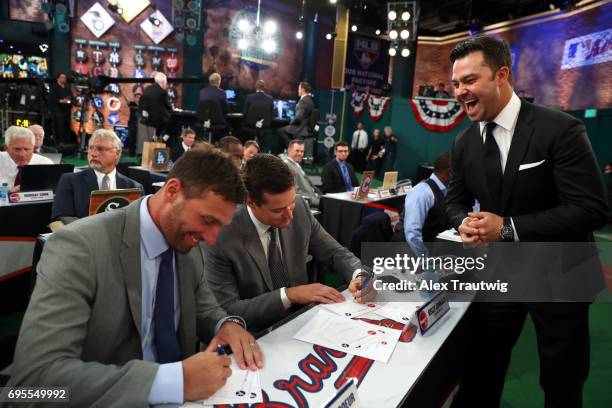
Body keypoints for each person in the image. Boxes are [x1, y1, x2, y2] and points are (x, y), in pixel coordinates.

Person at [9, 148, 264, 406]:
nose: (210, 238)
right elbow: (32, 385)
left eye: (220, 225)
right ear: (173, 191)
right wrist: (172, 382)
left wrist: (225, 324)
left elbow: (202, 305)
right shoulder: (79, 248)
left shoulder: (188, 244)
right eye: (207, 220)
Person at [446, 35, 608, 408]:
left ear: (502, 75)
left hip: (561, 275)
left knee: (563, 382)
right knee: (483, 366)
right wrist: (464, 224)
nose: (460, 91)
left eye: (469, 80)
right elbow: (453, 203)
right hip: (501, 275)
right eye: (456, 83)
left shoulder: (561, 129)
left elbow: (590, 208)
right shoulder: (463, 144)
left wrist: (507, 228)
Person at [203, 154, 363, 331]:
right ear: (251, 202)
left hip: (302, 323)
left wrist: (358, 274)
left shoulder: (300, 208)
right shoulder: (221, 235)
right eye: (277, 210)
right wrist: (289, 295)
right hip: (253, 334)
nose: (289, 216)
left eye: (291, 203)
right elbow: (228, 311)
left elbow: (335, 253)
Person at [51, 129, 143, 224]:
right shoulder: (70, 180)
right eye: (91, 148)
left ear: (117, 153)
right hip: (83, 236)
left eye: (100, 149)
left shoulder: (134, 187)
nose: (93, 154)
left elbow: (136, 221)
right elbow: (61, 216)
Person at [391, 152, 450, 257]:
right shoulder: (422, 192)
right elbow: (412, 235)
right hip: (408, 254)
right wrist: (425, 260)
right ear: (450, 172)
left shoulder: (446, 190)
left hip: (428, 250)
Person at [0, 125, 53, 191]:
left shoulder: (45, 164)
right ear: (6, 148)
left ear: (33, 148)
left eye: (27, 149)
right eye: (17, 149)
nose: (22, 154)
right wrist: (9, 193)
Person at [282, 139, 321, 208]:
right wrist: (317, 201)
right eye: (297, 151)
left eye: (302, 151)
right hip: (309, 204)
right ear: (289, 150)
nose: (300, 154)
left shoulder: (296, 164)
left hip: (315, 199)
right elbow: (296, 191)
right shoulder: (287, 166)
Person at [277, 81, 315, 148]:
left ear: (302, 89)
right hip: (305, 127)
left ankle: (292, 148)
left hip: (300, 128)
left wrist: (291, 122)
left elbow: (298, 118)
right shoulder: (309, 100)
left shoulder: (303, 101)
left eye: (299, 89)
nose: (298, 91)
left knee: (280, 130)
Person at [139, 72, 173, 139]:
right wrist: (171, 108)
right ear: (163, 81)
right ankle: (164, 139)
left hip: (145, 119)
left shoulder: (147, 89)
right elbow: (168, 106)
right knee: (171, 119)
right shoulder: (162, 92)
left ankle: (156, 137)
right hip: (157, 120)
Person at [48, 72, 73, 145]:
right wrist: (61, 101)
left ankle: (67, 142)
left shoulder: (67, 88)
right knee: (59, 127)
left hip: (67, 111)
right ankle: (59, 143)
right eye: (62, 77)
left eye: (64, 78)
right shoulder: (54, 88)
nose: (64, 79)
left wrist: (69, 100)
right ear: (58, 79)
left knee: (67, 127)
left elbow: (71, 97)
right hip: (58, 111)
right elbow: (51, 99)